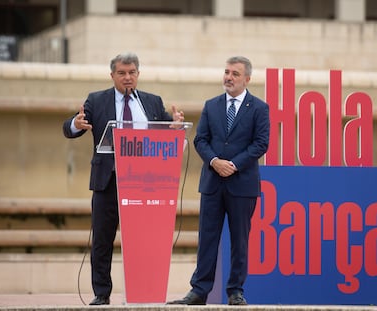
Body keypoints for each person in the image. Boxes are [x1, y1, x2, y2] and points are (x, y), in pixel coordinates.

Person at [62, 52, 184, 305]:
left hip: (144, 184)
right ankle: (102, 293)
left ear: (138, 74)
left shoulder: (152, 102)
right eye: (122, 73)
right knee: (103, 240)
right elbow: (69, 129)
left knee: (145, 241)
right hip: (109, 181)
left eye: (132, 73)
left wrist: (174, 130)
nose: (127, 78)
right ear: (112, 75)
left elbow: (166, 139)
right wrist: (76, 122)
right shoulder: (97, 100)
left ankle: (145, 291)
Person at [168, 56, 270, 306]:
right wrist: (215, 161)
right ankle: (199, 291)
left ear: (247, 78)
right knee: (207, 238)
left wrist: (233, 164)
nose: (229, 77)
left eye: (235, 73)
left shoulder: (259, 108)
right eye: (226, 72)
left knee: (239, 240)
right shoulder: (211, 105)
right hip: (213, 182)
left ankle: (235, 291)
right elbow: (200, 139)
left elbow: (261, 144)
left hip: (242, 183)